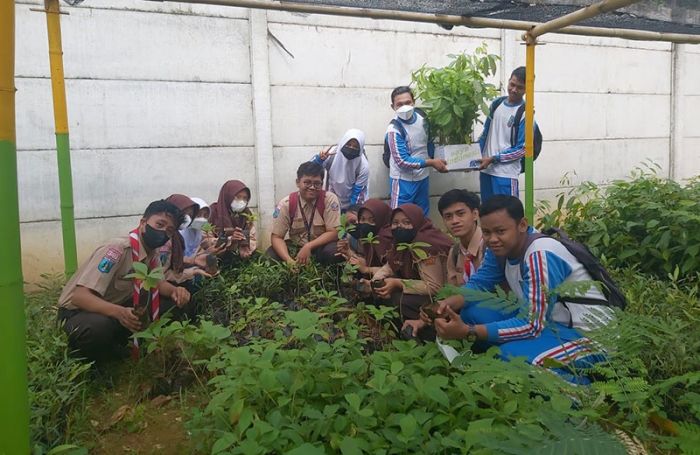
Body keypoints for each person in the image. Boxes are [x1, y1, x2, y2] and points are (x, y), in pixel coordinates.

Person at [431, 196, 608, 384]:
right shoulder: (499, 248)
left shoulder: (540, 254)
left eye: (500, 231)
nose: (492, 239)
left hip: (587, 336)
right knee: (474, 311)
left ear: (522, 225)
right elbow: (480, 284)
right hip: (548, 325)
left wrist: (468, 331)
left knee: (512, 357)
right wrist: (446, 304)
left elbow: (531, 324)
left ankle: (581, 394)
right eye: (487, 232)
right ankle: (512, 360)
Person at [57, 200, 192, 362]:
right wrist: (120, 313)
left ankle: (128, 346)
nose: (163, 232)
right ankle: (93, 367)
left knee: (172, 303)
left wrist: (175, 291)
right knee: (98, 327)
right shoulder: (117, 250)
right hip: (78, 313)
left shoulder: (153, 253)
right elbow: (80, 297)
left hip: (115, 309)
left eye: (169, 230)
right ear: (143, 223)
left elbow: (156, 282)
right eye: (160, 224)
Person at [402, 189, 484, 338]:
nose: (455, 221)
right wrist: (430, 314)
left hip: (489, 310)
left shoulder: (489, 246)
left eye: (461, 214)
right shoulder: (455, 252)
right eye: (448, 216)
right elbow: (452, 292)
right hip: (462, 306)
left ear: (475, 214)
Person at [369, 203, 453, 339]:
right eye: (395, 223)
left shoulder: (426, 244)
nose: (400, 227)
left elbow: (434, 286)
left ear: (417, 221)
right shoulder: (402, 243)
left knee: (399, 299)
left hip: (443, 298)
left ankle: (427, 336)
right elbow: (391, 265)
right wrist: (376, 280)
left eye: (407, 222)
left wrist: (398, 283)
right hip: (426, 293)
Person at [477, 66, 539, 202]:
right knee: (488, 214)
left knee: (507, 216)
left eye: (520, 87)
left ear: (527, 90)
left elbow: (523, 149)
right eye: (512, 84)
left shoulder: (525, 113)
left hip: (506, 174)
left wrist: (494, 159)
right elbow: (485, 134)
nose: (514, 90)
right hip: (486, 171)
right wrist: (472, 156)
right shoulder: (496, 104)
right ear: (509, 80)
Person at [386, 86, 448, 215]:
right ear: (393, 107)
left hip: (422, 178)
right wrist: (431, 162)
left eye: (408, 103)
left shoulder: (423, 118)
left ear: (413, 102)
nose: (404, 107)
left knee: (422, 216)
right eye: (399, 104)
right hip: (402, 180)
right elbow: (402, 161)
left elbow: (429, 142)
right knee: (399, 216)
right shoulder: (394, 129)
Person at [269, 162, 342, 266]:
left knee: (334, 252)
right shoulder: (286, 204)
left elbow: (334, 232)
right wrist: (289, 261)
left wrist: (308, 246)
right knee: (270, 256)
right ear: (298, 182)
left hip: (320, 247)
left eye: (317, 183)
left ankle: (328, 280)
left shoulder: (329, 200)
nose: (312, 187)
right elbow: (277, 237)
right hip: (296, 247)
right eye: (307, 182)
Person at [310, 129, 370, 211]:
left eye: (355, 146)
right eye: (348, 144)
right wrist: (320, 160)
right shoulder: (332, 153)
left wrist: (351, 211)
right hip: (331, 197)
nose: (351, 148)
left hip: (352, 201)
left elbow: (357, 193)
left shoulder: (363, 166)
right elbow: (309, 170)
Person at [209, 180, 258, 260]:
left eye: (245, 198)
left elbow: (252, 237)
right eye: (237, 197)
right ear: (228, 196)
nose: (241, 202)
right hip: (215, 258)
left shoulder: (246, 214)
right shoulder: (213, 212)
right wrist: (229, 240)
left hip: (237, 258)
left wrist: (245, 248)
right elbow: (206, 240)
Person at [345, 199, 393, 276]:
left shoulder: (385, 240)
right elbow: (365, 262)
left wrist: (366, 270)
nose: (366, 224)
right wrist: (348, 251)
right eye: (363, 219)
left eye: (372, 220)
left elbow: (392, 272)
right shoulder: (365, 238)